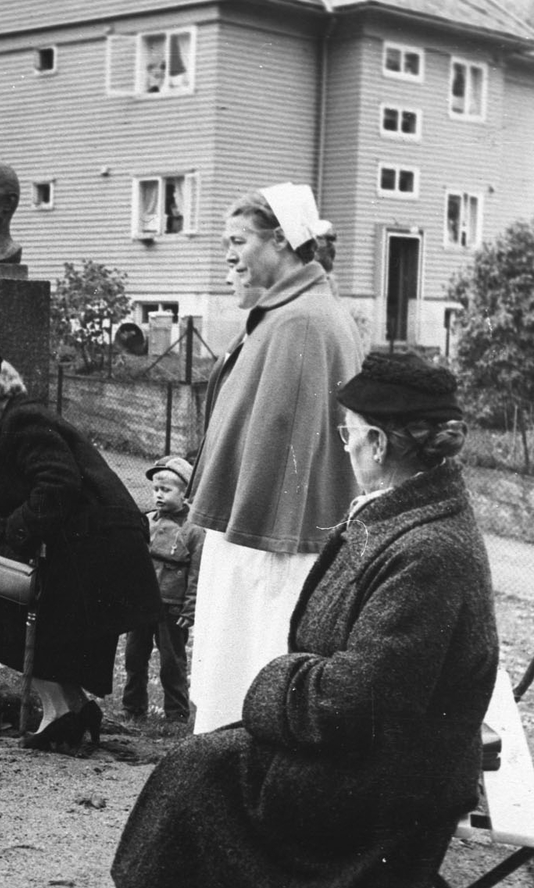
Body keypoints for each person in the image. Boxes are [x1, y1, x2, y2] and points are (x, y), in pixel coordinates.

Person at [112, 352, 498, 888]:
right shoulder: (410, 516)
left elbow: (354, 702)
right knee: (200, 767)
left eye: (349, 433)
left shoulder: (428, 549)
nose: (345, 445)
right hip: (378, 762)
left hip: (391, 787)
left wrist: (272, 680)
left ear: (379, 445)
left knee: (197, 780)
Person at [187, 182, 363, 733]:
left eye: (238, 241)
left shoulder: (301, 323)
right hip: (259, 542)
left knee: (249, 680)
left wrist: (234, 531)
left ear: (284, 240)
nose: (228, 257)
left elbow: (291, 461)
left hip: (272, 553)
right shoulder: (289, 314)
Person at [0, 351, 162, 751]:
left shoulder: (22, 422)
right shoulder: (23, 417)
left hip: (93, 544)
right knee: (46, 631)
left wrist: (17, 530)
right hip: (92, 541)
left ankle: (60, 715)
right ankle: (72, 710)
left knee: (10, 625)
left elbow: (58, 482)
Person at [121, 455, 203, 722]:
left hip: (172, 608)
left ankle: (176, 714)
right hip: (143, 603)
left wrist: (190, 609)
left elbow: (196, 573)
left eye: (166, 490)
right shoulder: (147, 521)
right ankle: (133, 709)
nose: (158, 495)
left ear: (185, 494)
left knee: (172, 663)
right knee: (134, 658)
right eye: (156, 489)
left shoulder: (193, 531)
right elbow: (134, 563)